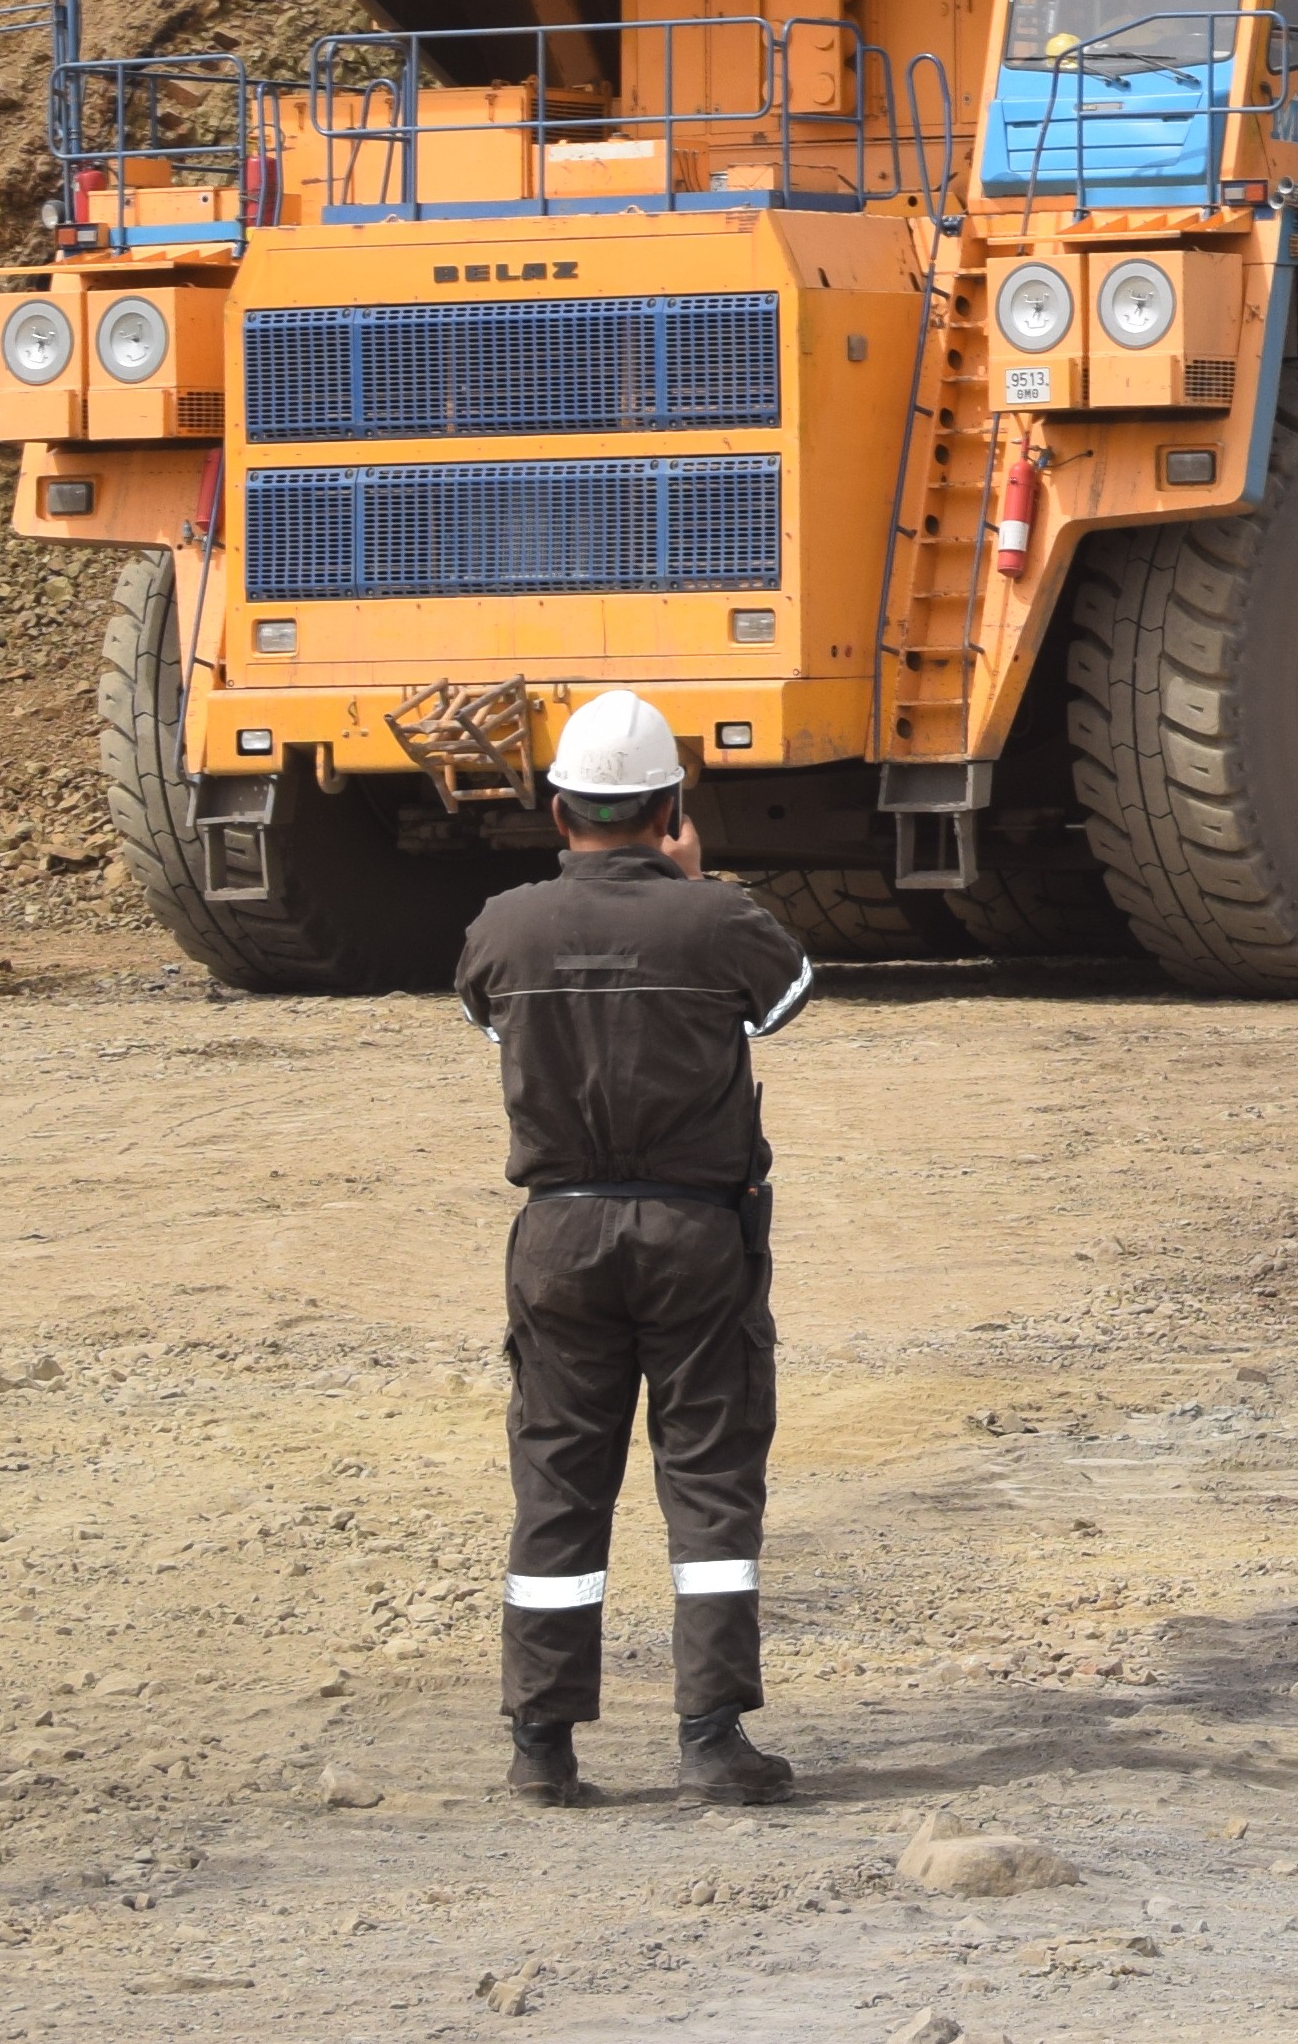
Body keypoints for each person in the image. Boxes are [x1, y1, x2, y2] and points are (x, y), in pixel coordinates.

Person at [449, 687, 820, 1806]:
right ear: (669, 808)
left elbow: (487, 1016)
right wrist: (693, 882)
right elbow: (784, 997)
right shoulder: (718, 921)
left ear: (560, 812)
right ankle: (711, 1740)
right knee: (708, 1478)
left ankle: (541, 1748)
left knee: (560, 1475)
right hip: (694, 1232)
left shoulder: (502, 925)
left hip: (559, 1231)